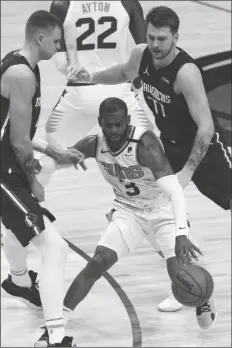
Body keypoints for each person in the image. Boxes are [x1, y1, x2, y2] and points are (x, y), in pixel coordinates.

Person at [70, 5, 231, 311]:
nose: (155, 45)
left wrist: (188, 170)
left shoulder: (186, 73)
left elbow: (207, 127)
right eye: (152, 37)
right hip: (167, 145)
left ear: (175, 37)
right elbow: (121, 72)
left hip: (203, 149)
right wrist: (89, 77)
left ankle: (188, 280)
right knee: (157, 211)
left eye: (162, 39)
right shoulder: (142, 55)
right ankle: (186, 285)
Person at [35, 97, 216, 348]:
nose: (114, 130)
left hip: (162, 209)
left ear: (127, 121)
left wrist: (181, 233)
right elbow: (64, 158)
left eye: (119, 124)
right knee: (98, 262)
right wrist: (39, 165)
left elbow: (175, 191)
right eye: (108, 125)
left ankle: (203, 298)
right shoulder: (95, 144)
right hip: (128, 211)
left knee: (181, 276)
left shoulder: (146, 146)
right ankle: (56, 325)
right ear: (100, 123)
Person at [0, 10, 85, 347]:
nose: (58, 46)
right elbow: (18, 141)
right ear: (39, 38)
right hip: (4, 175)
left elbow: (19, 131)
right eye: (55, 41)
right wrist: (33, 181)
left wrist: (58, 152)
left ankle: (19, 282)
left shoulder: (21, 65)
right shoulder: (22, 74)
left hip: (7, 167)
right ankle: (54, 337)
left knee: (22, 231)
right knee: (55, 248)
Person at [45, 0, 153, 147]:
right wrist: (138, 82)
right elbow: (147, 52)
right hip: (120, 90)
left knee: (53, 153)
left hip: (79, 93)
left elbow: (60, 62)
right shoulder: (129, 3)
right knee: (147, 151)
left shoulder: (61, 5)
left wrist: (73, 69)